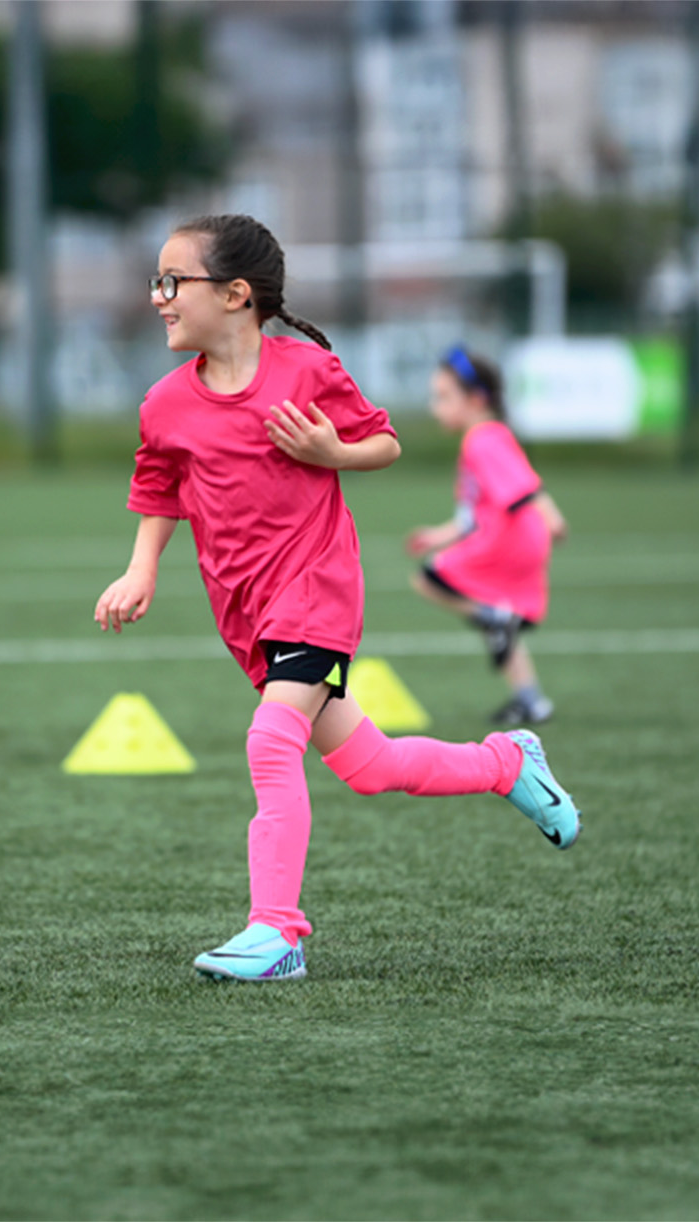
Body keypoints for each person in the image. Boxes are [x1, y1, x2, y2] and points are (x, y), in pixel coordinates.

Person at [92, 214, 583, 983]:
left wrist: (333, 453)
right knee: (371, 765)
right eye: (156, 282)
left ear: (235, 295)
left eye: (171, 281)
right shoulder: (165, 405)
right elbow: (159, 487)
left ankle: (276, 932)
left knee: (269, 739)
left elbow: (383, 441)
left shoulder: (308, 372)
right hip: (243, 608)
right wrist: (142, 569)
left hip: (317, 587)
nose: (158, 297)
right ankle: (506, 762)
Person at [404, 346, 566, 727]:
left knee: (429, 580)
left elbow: (524, 487)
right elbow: (472, 516)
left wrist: (552, 517)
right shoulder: (485, 438)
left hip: (511, 539)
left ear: (476, 400)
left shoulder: (483, 438)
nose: (435, 407)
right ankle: (530, 700)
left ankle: (496, 619)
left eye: (443, 397)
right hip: (517, 538)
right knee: (499, 622)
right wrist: (437, 535)